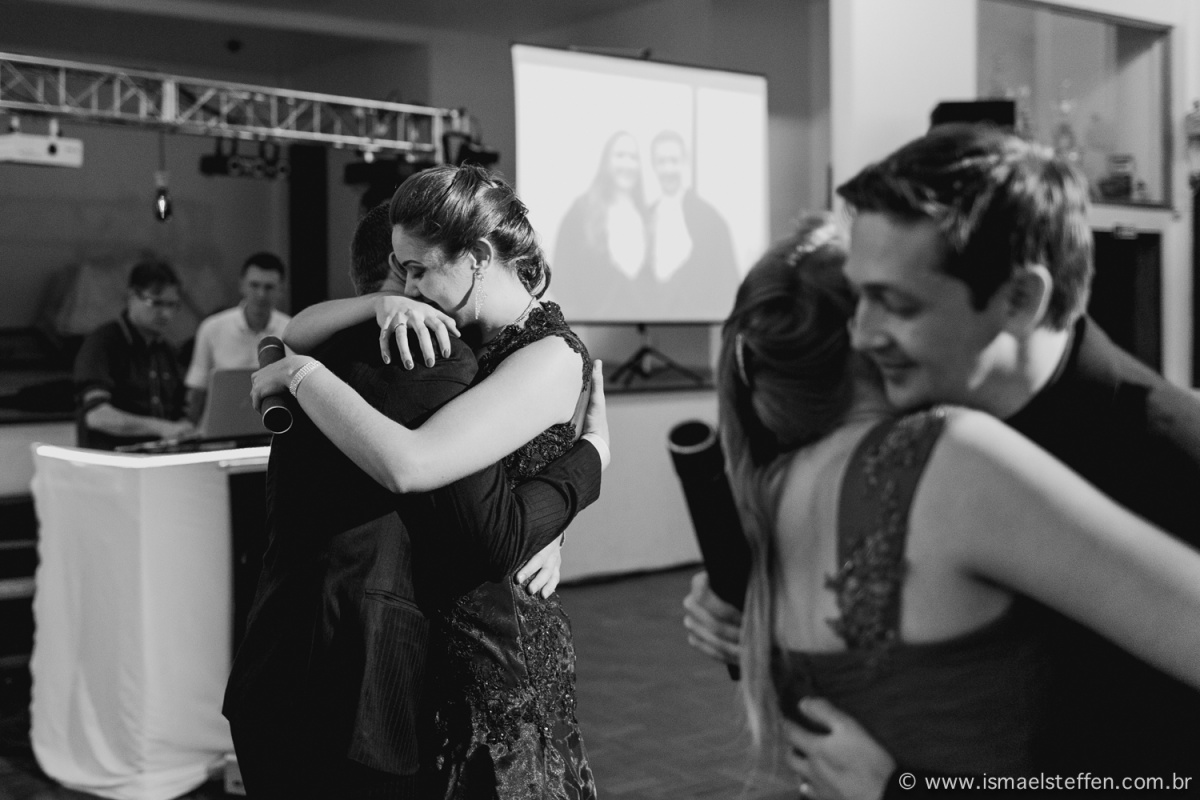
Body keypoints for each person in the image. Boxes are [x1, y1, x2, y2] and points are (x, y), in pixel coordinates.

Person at [684, 124, 1200, 798]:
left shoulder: (1169, 458)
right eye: (857, 297)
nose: (860, 335)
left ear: (1020, 300)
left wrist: (914, 790)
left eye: (895, 304)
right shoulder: (913, 440)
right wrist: (750, 596)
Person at [224, 201, 609, 799]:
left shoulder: (312, 347)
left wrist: (553, 529)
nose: (414, 290)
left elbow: (295, 329)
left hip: (270, 661)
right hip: (368, 683)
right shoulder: (433, 358)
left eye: (420, 270)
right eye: (407, 272)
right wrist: (591, 459)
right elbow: (483, 527)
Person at [73, 258, 194, 450]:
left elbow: (181, 412)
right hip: (113, 460)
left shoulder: (167, 351)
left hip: (158, 459)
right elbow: (97, 416)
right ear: (131, 296)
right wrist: (161, 428)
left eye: (172, 305)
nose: (166, 314)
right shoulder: (103, 343)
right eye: (156, 303)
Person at [553, 129, 650, 319]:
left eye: (633, 157)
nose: (627, 164)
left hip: (642, 323)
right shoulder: (582, 211)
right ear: (606, 161)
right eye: (620, 155)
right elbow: (563, 277)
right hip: (591, 325)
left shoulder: (647, 215)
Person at [185, 251, 290, 424]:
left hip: (274, 427)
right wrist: (191, 426)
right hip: (219, 428)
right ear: (242, 285)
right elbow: (197, 389)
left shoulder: (291, 331)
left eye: (269, 287)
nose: (261, 294)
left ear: (281, 290)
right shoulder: (212, 327)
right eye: (254, 285)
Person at [646, 129, 738, 317]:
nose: (668, 170)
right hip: (646, 320)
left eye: (674, 161)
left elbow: (725, 282)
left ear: (684, 162)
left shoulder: (710, 219)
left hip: (696, 324)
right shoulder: (644, 217)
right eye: (662, 162)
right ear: (653, 165)